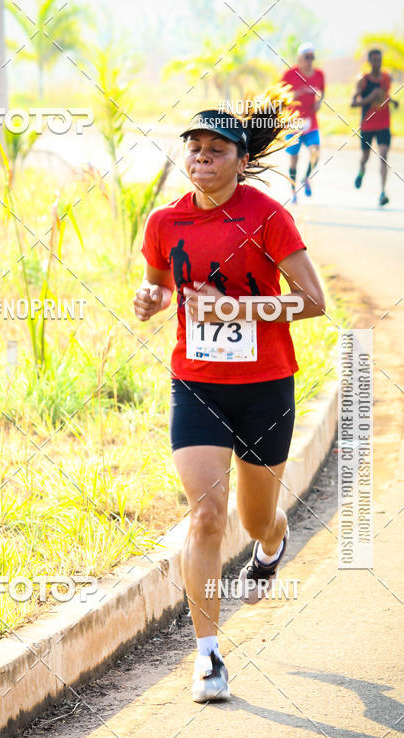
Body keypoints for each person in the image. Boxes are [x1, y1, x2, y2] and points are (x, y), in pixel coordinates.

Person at [134, 109, 325, 703]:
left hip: (266, 387)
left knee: (257, 515)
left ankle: (272, 542)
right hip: (197, 384)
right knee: (208, 516)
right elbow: (163, 286)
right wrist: (150, 298)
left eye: (217, 151)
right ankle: (208, 656)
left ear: (242, 162)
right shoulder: (165, 221)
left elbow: (313, 301)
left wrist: (236, 310)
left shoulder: (267, 216)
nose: (202, 159)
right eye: (193, 149)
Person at [351, 48, 399, 206]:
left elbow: (385, 95)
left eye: (380, 60)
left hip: (384, 123)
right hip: (368, 125)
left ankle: (383, 192)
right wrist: (370, 98)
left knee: (383, 156)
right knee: (366, 157)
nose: (377, 63)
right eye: (374, 60)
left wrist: (392, 101)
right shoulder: (363, 80)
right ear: (369, 61)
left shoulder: (386, 78)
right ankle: (361, 171)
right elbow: (353, 103)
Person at [281, 42, 325, 203]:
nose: (310, 60)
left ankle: (306, 178)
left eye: (312, 57)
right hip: (293, 123)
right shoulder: (289, 74)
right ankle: (293, 191)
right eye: (307, 57)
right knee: (294, 159)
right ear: (300, 58)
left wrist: (319, 102)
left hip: (311, 122)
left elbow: (322, 92)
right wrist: (294, 96)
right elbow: (279, 96)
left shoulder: (319, 74)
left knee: (316, 152)